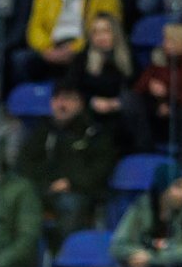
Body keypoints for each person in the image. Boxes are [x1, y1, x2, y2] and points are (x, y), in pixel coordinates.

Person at [16, 79, 116, 245]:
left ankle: (65, 253)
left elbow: (100, 169)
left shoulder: (93, 133)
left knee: (70, 204)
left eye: (68, 99)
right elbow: (25, 164)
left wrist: (70, 182)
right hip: (42, 187)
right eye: (57, 99)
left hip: (78, 191)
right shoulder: (42, 130)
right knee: (16, 198)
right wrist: (45, 184)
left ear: (80, 103)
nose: (61, 104)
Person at [120, 22, 182, 172]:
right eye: (165, 39)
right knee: (130, 99)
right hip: (158, 117)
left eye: (171, 40)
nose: (165, 44)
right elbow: (138, 88)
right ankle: (144, 152)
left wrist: (170, 97)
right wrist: (153, 91)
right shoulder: (160, 61)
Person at [21, 0, 122, 81]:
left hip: (84, 44)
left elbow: (108, 26)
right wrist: (45, 48)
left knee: (87, 61)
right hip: (51, 44)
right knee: (22, 59)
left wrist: (75, 48)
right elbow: (35, 26)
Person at [69, 13, 131, 139]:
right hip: (90, 111)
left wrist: (118, 103)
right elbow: (72, 86)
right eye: (95, 32)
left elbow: (137, 88)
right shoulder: (82, 59)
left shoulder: (129, 58)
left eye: (105, 31)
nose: (100, 36)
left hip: (121, 113)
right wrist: (92, 101)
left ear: (115, 33)